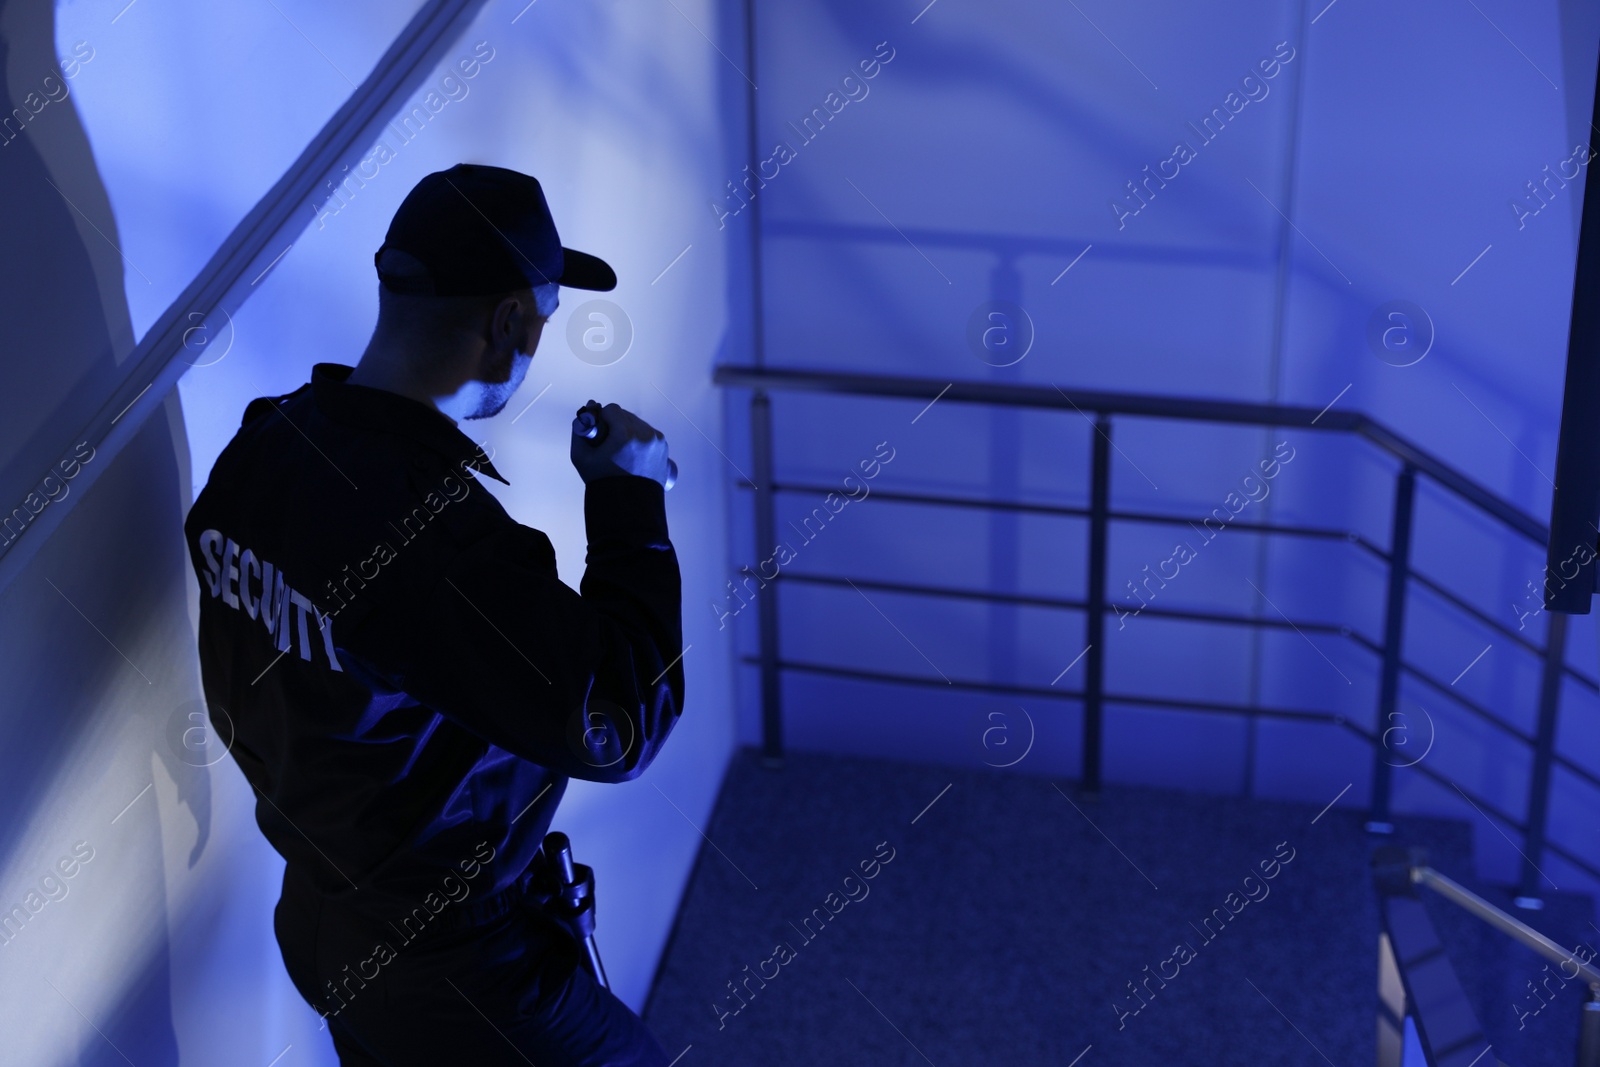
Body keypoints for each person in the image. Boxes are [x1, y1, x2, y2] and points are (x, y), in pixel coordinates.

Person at [182, 163, 683, 1065]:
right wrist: (628, 503)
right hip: (461, 969)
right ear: (508, 327)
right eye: (542, 321)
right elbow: (619, 718)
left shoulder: (264, 446)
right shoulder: (430, 535)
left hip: (326, 922)